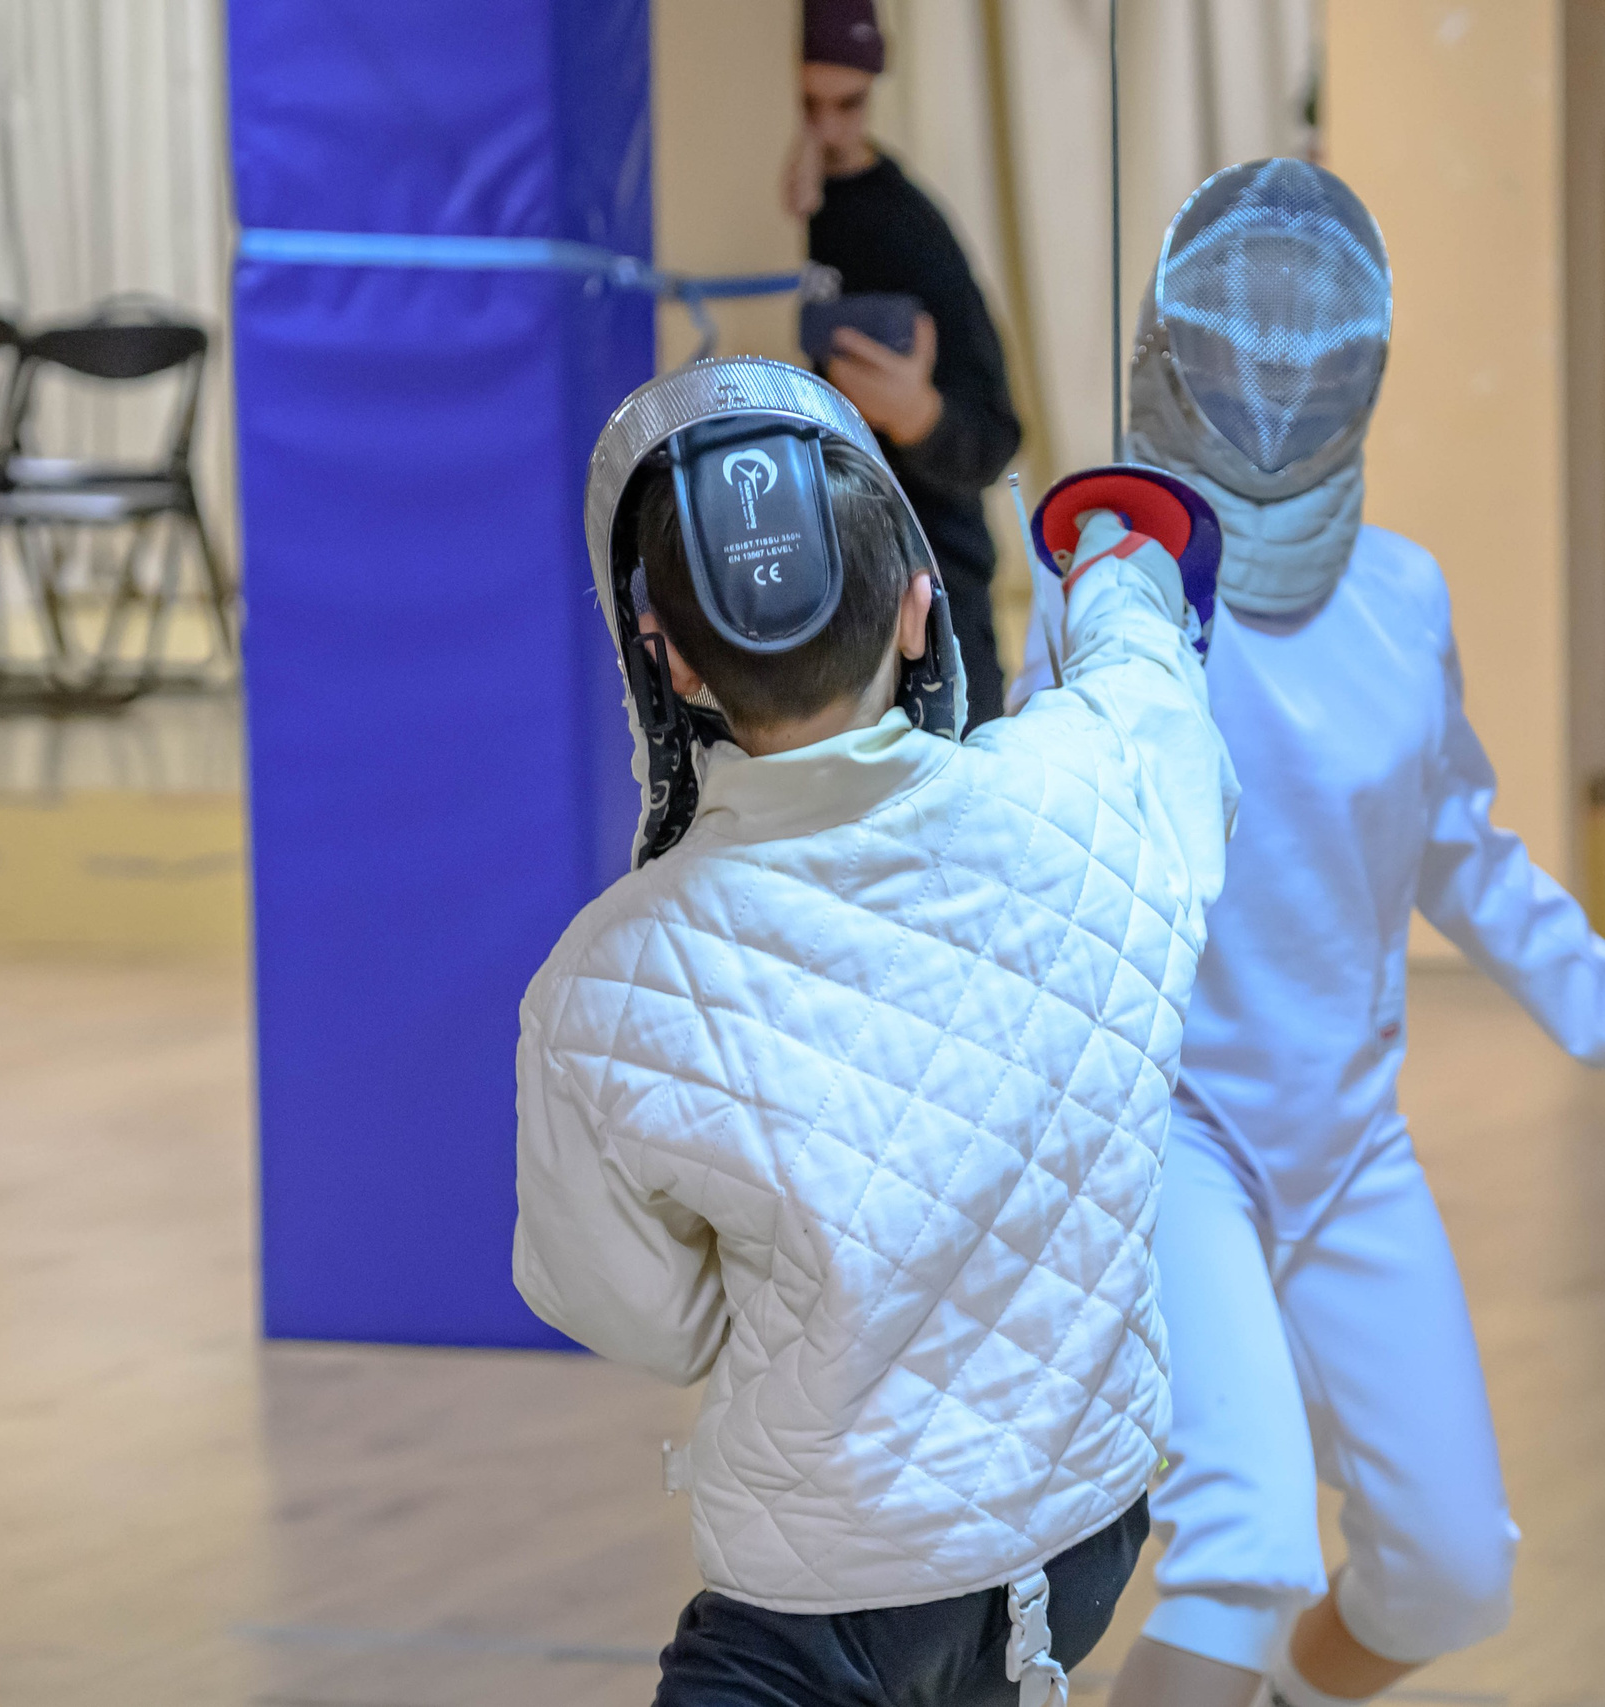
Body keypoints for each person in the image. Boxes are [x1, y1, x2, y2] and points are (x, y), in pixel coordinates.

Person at [1101, 161, 1605, 1707]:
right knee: (1242, 1543)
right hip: (1173, 1138)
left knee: (1454, 1568)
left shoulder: (1402, 597)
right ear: (1181, 354)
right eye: (1241, 349)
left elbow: (1470, 859)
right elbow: (1035, 854)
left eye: (1303, 352)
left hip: (1344, 1142)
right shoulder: (1117, 585)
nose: (1271, 382)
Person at [515, 356, 1236, 1705]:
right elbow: (1153, 685)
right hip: (1080, 1545)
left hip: (822, 1595)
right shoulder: (1093, 788)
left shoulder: (611, 976)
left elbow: (649, 1317)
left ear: (663, 658)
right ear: (919, 606)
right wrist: (1118, 555)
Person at [788, 0, 1023, 724]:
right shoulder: (741, 216)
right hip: (801, 613)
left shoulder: (907, 228)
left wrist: (917, 416)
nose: (828, 131)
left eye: (848, 104)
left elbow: (995, 435)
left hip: (931, 599)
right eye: (804, 105)